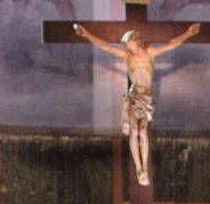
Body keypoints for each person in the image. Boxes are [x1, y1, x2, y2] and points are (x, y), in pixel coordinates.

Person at [73, 22, 201, 186]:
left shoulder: (150, 53)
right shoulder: (128, 57)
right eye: (126, 45)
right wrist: (87, 35)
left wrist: (188, 34)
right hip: (134, 96)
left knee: (142, 132)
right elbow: (105, 46)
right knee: (134, 132)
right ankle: (138, 167)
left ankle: (144, 169)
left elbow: (171, 44)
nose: (129, 47)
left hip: (146, 97)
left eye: (130, 44)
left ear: (137, 41)